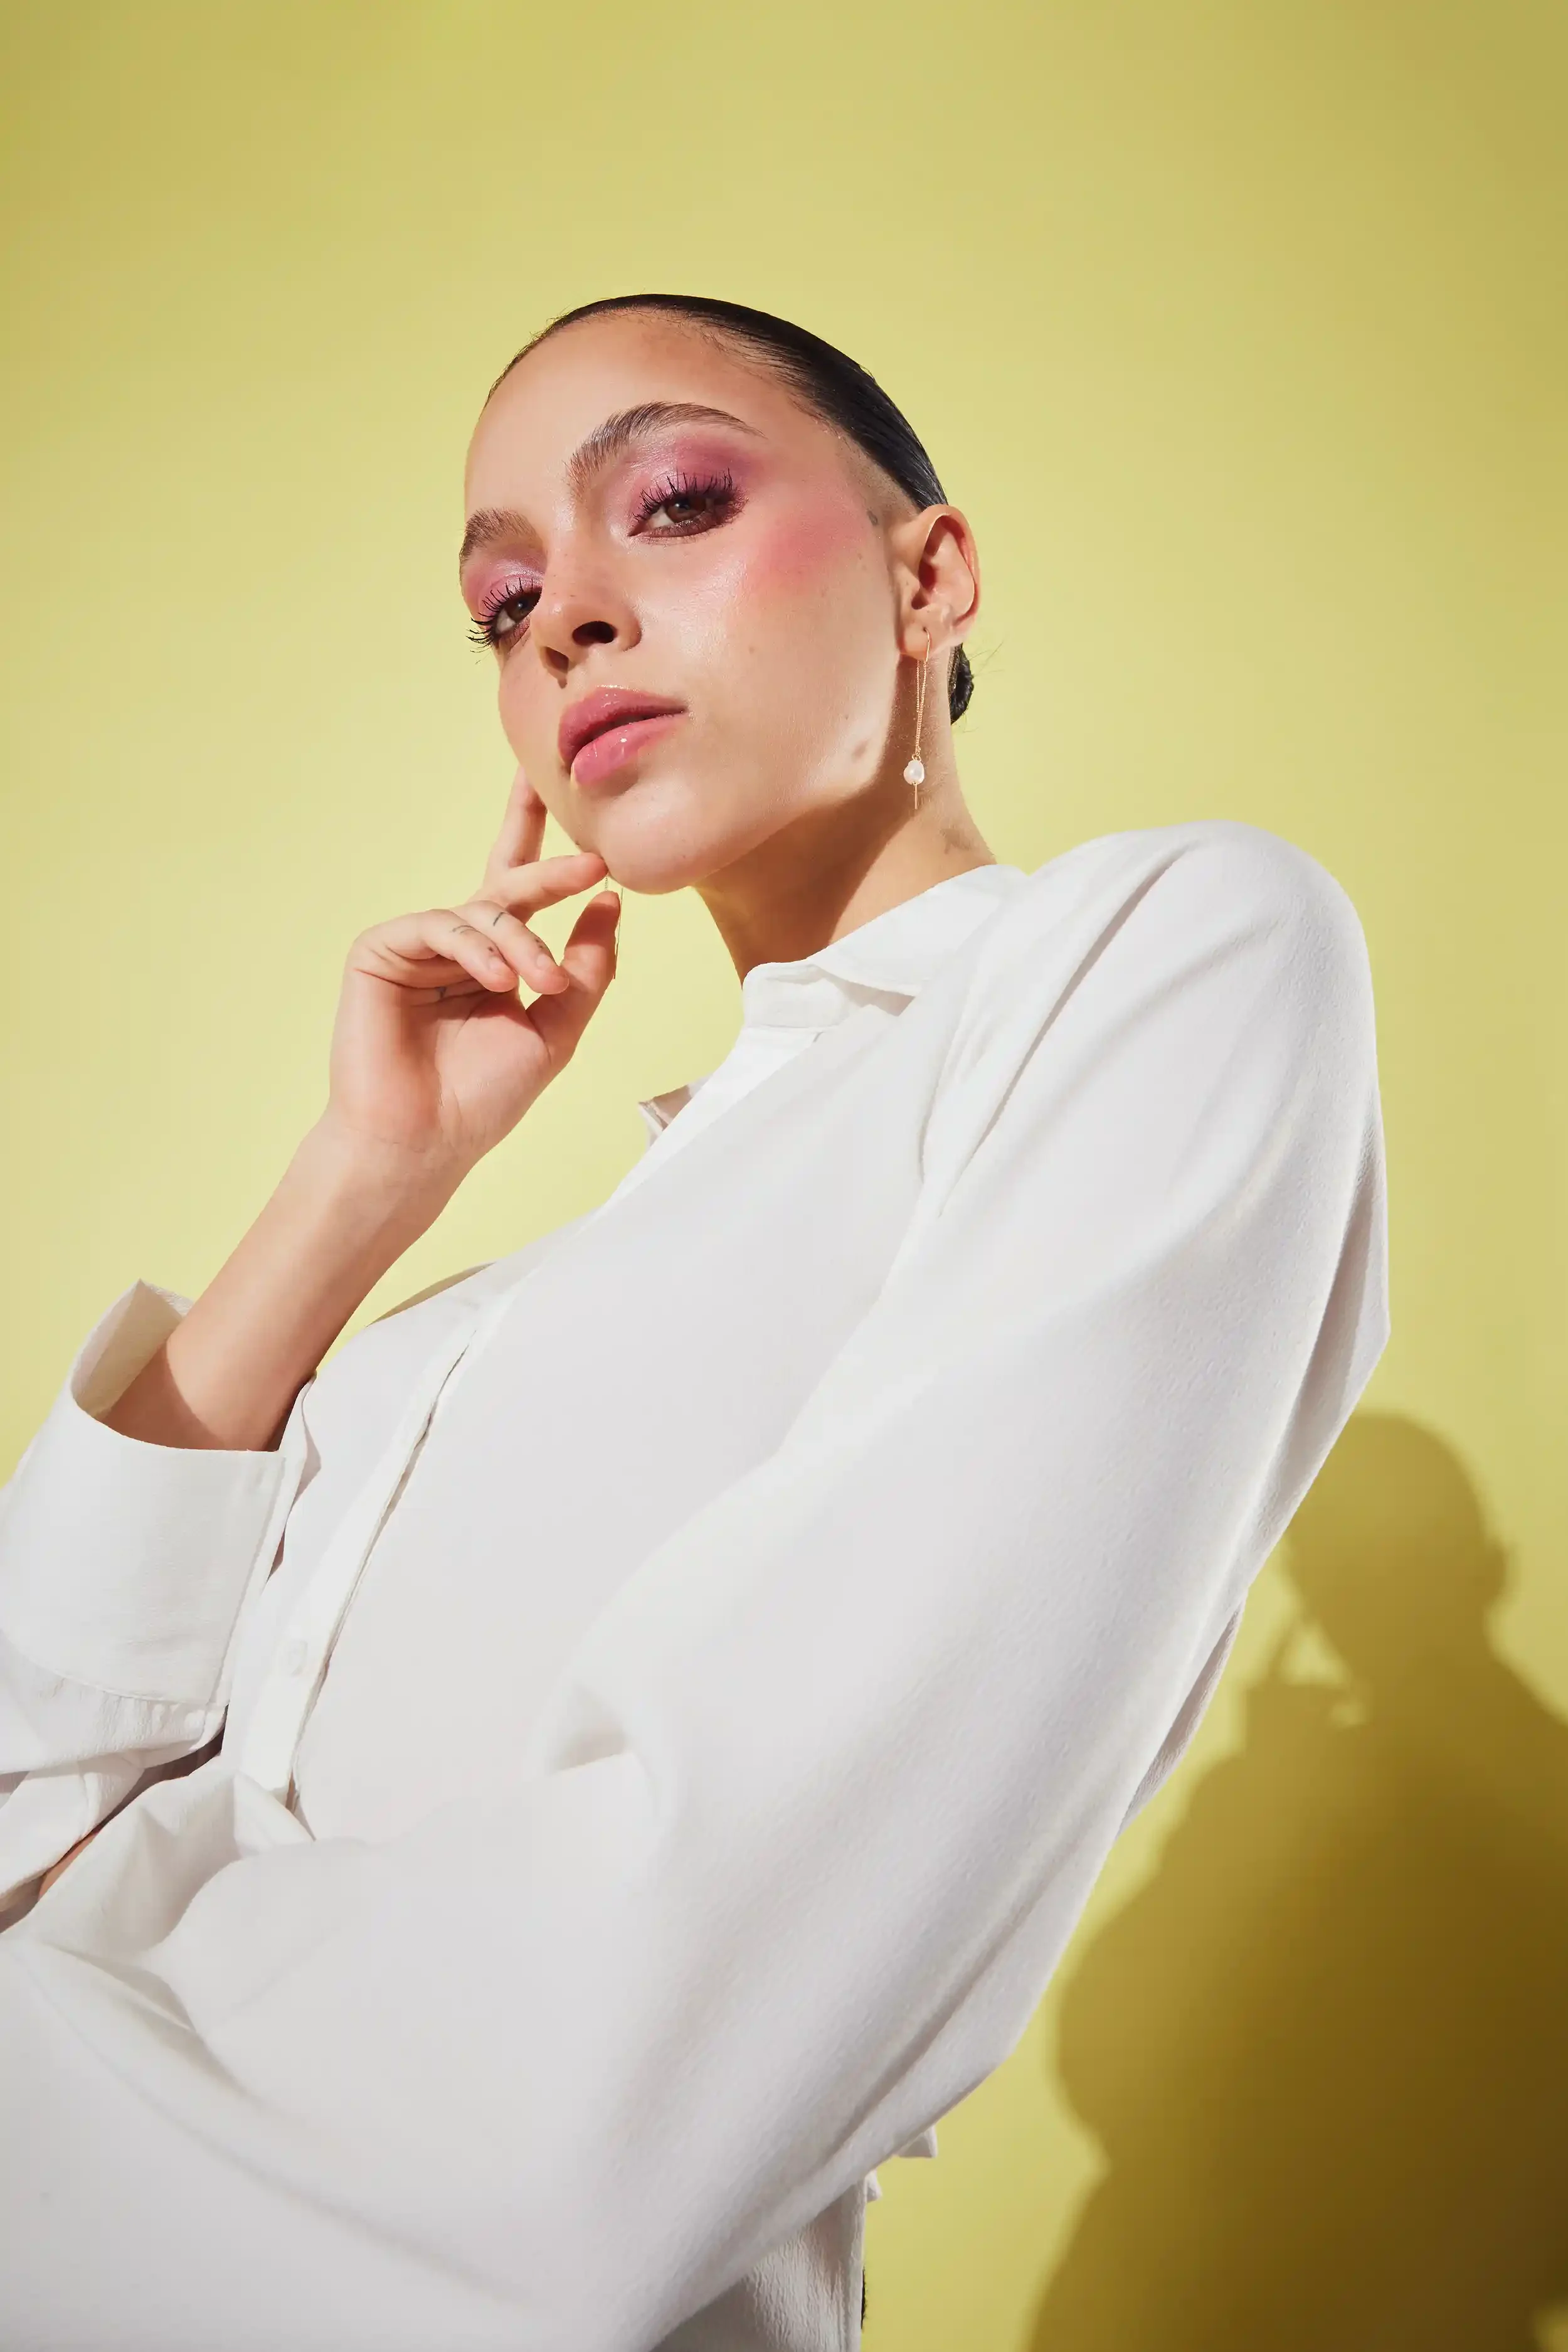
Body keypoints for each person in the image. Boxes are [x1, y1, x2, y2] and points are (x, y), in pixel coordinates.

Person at [0, 294, 1389, 2352]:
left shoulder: (1158, 957)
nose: (560, 622)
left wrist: (125, 1980)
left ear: (932, 576)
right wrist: (359, 1186)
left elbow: (667, 2008)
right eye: (501, 603)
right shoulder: (453, 1333)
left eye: (665, 503)